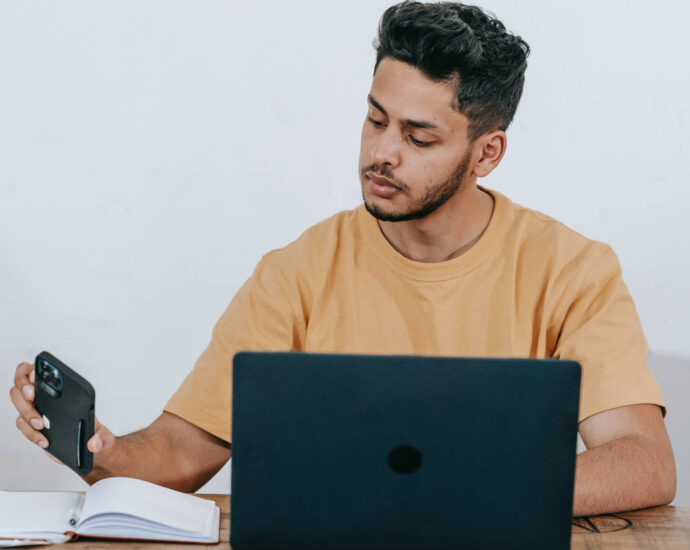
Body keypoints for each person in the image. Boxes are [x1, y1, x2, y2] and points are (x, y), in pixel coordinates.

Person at [10, 1, 675, 516]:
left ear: (486, 154)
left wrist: (457, 493)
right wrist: (99, 449)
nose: (382, 152)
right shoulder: (297, 271)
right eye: (376, 118)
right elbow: (184, 450)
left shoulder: (572, 270)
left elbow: (644, 462)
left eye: (418, 136)